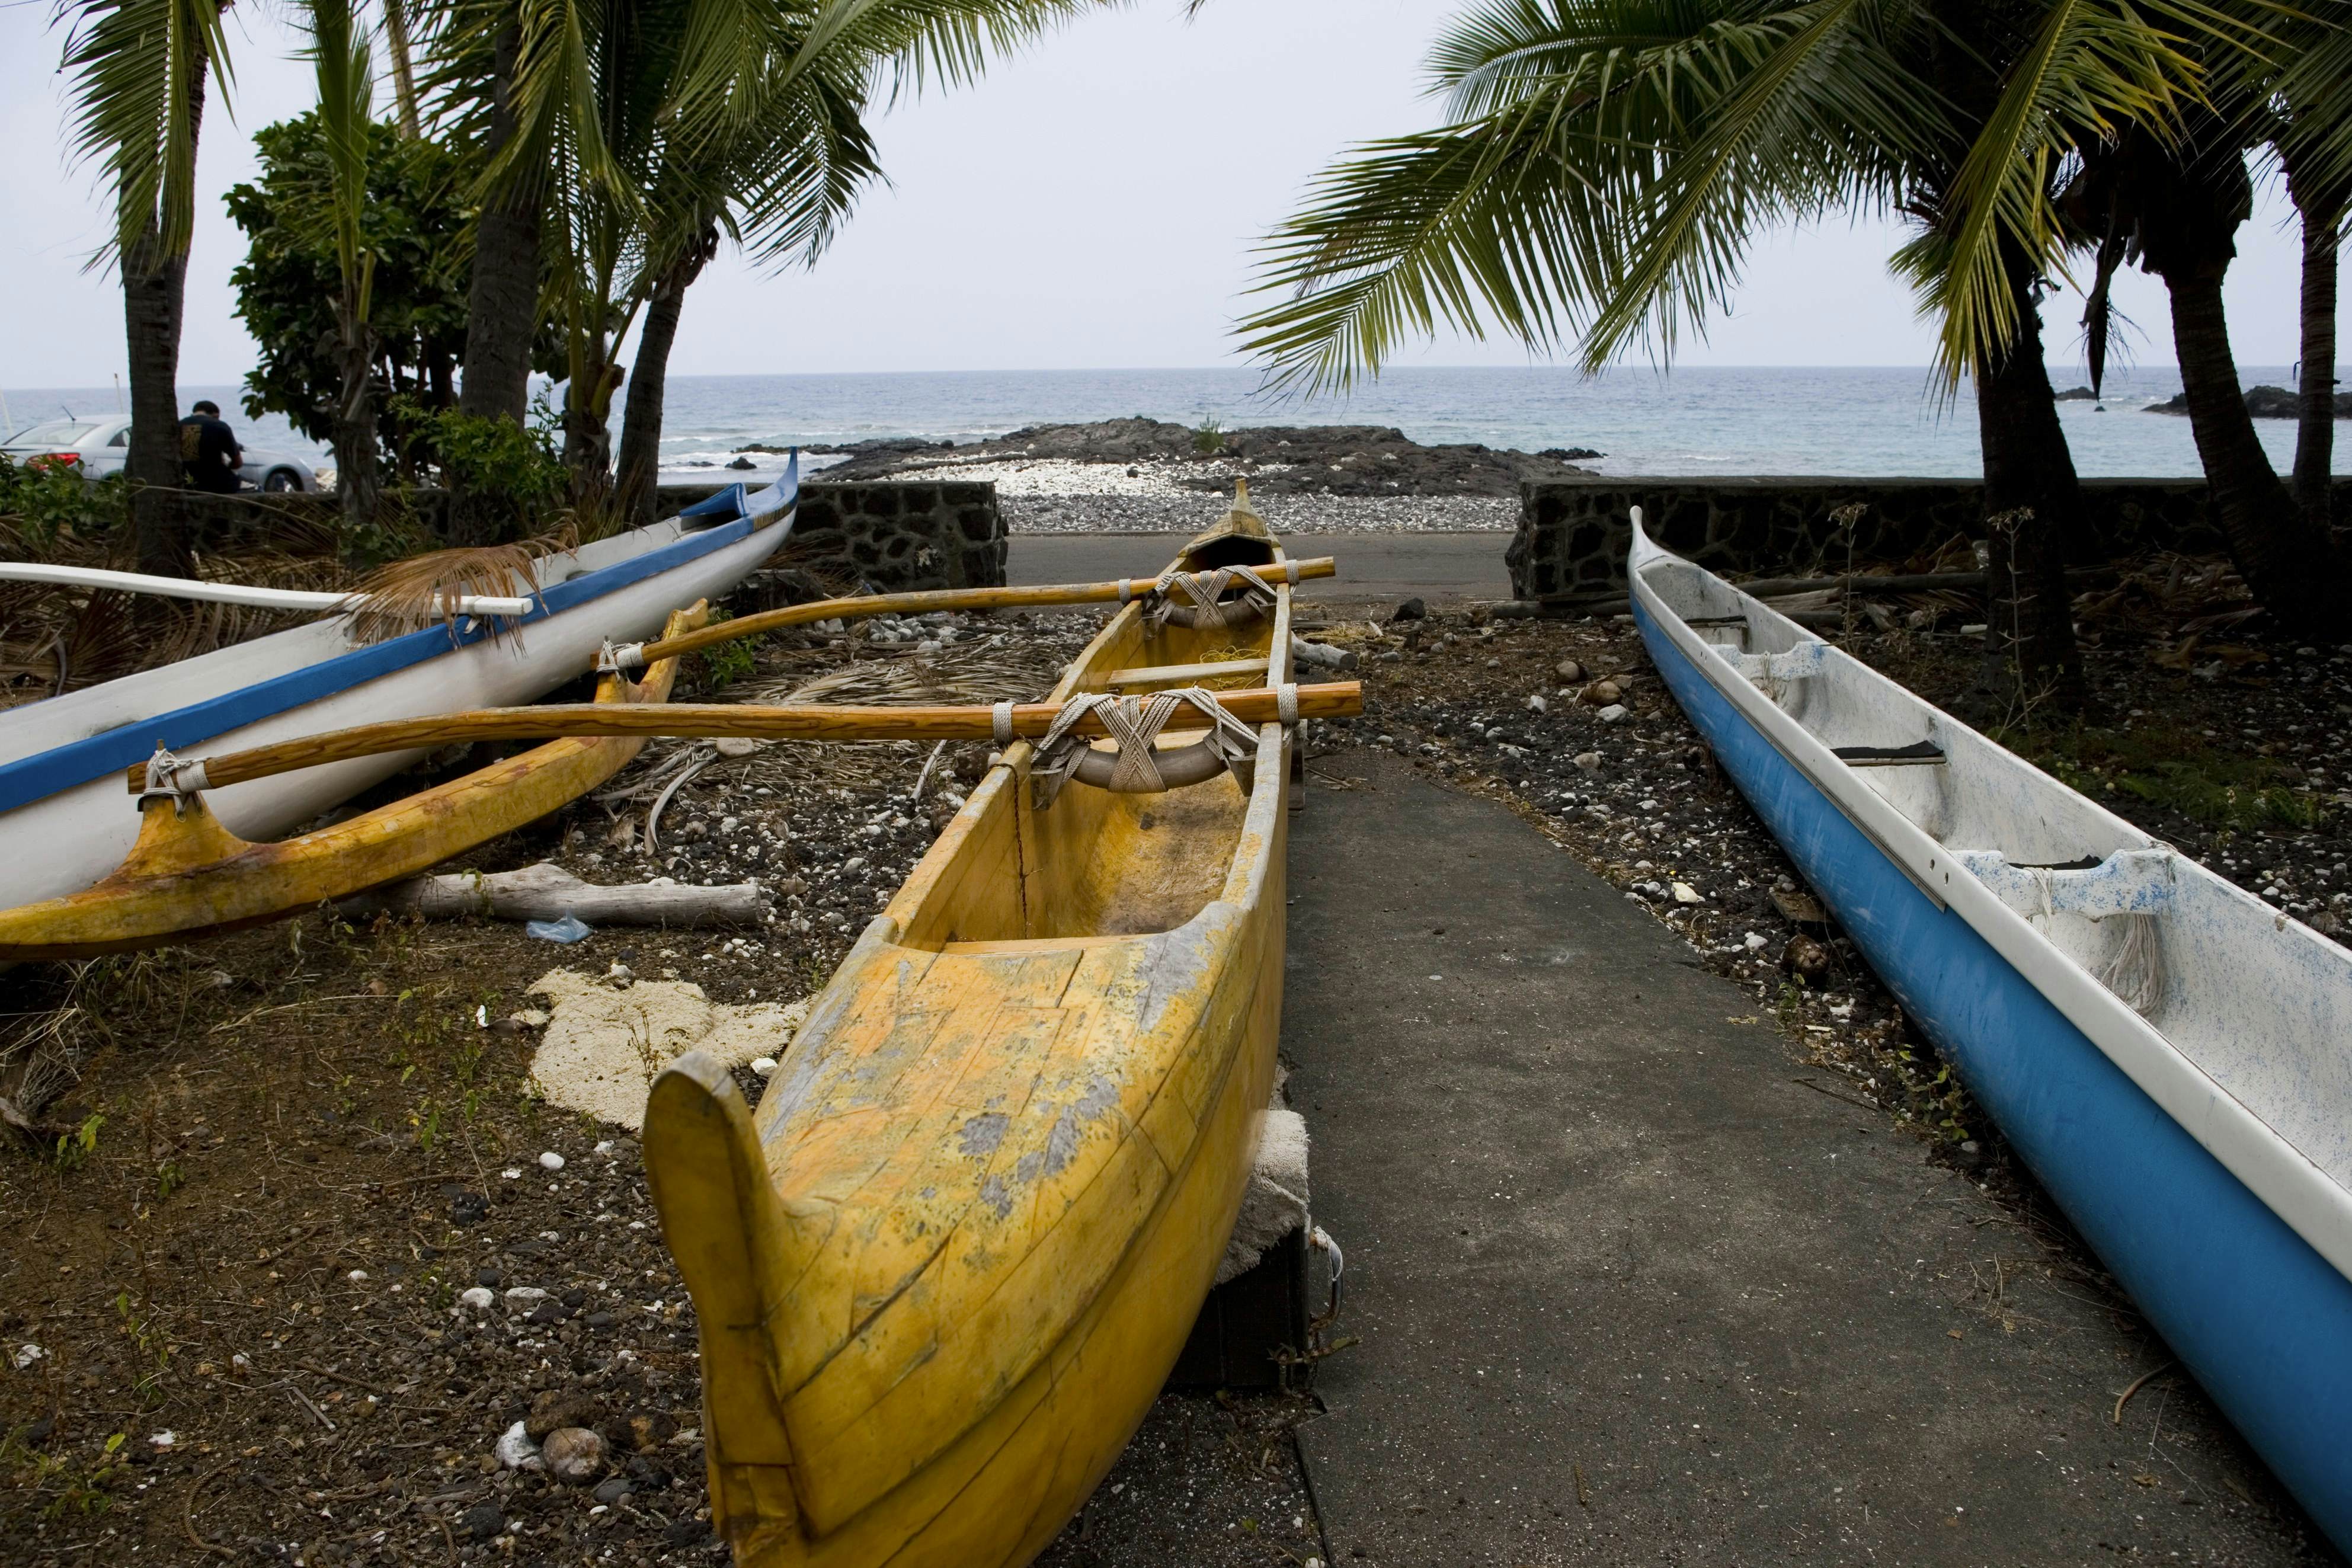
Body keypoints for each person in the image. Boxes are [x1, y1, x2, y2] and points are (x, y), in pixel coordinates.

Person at [178, 399, 244, 494]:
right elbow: (238, 463)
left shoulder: (179, 425)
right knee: (256, 487)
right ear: (215, 415)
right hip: (216, 483)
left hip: (186, 483)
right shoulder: (219, 426)